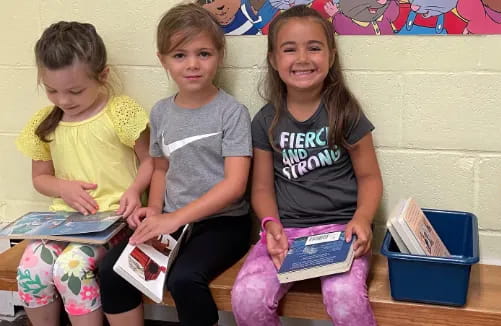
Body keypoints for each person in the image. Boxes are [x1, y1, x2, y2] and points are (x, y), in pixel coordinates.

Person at [98, 4, 252, 326]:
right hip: (173, 223)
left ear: (220, 55)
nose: (193, 64)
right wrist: (154, 209)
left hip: (223, 225)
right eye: (180, 55)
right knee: (113, 270)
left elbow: (235, 185)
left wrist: (174, 218)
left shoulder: (231, 112)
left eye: (204, 54)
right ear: (163, 60)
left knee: (184, 279)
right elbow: (161, 168)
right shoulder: (161, 112)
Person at [231, 5, 383, 326]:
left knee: (345, 299)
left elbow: (369, 178)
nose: (302, 58)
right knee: (247, 296)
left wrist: (363, 219)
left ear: (330, 55)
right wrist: (271, 224)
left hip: (340, 232)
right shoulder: (265, 121)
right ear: (273, 60)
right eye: (289, 49)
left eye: (314, 48)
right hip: (284, 233)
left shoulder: (346, 114)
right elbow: (260, 188)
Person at [15, 22, 152, 326]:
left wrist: (133, 191)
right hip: (65, 221)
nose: (63, 100)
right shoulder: (45, 123)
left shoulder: (121, 112)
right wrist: (62, 188)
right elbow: (40, 178)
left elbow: (150, 162)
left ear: (102, 75)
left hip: (115, 222)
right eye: (52, 90)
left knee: (72, 269)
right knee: (30, 270)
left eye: (75, 90)